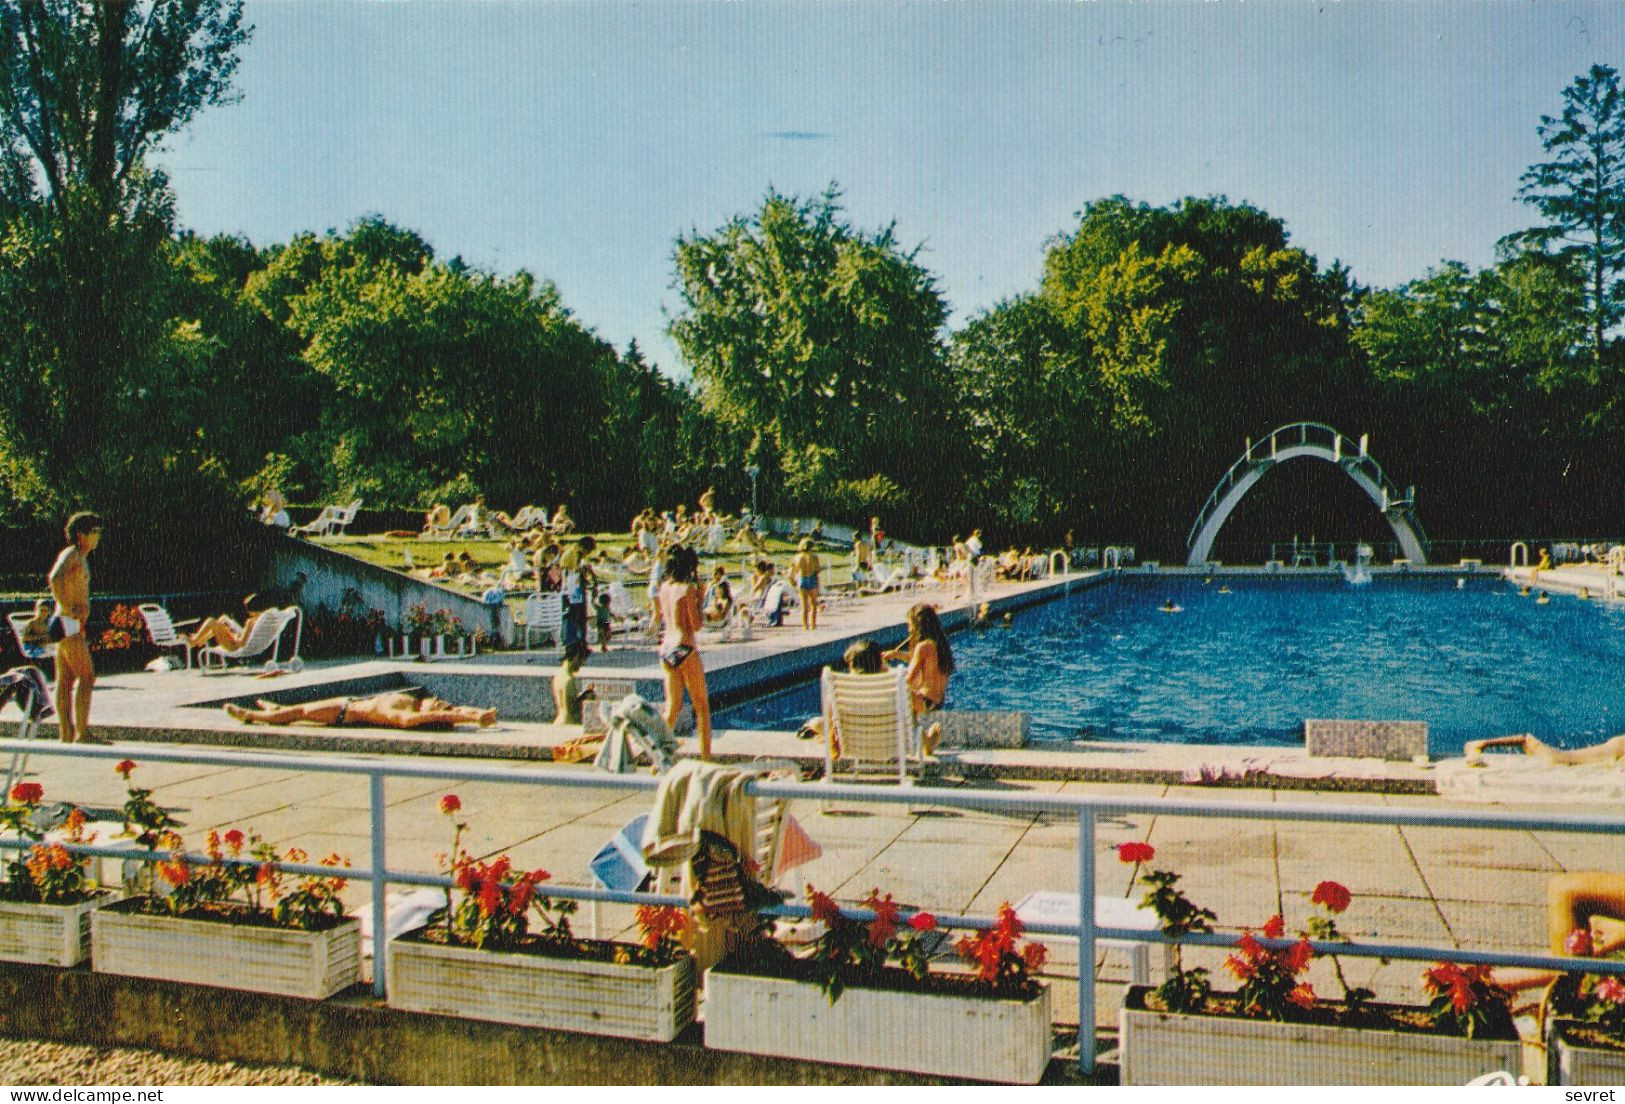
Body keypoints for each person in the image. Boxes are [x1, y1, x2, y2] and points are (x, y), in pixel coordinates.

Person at [48, 512, 102, 745]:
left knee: (66, 681)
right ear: (82, 535)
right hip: (67, 622)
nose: (98, 537)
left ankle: (66, 733)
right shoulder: (72, 554)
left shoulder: (81, 556)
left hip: (69, 624)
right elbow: (54, 578)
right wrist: (68, 607)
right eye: (94, 532)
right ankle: (82, 732)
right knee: (87, 677)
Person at [654, 545, 711, 760]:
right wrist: (700, 599)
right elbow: (695, 625)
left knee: (673, 707)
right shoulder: (686, 590)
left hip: (666, 649)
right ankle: (706, 760)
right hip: (684, 647)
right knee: (702, 707)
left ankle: (658, 757)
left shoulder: (664, 588)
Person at [882, 602, 954, 755]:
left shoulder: (923, 647)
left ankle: (892, 740)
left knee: (896, 695)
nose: (908, 629)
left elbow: (908, 678)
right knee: (908, 708)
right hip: (937, 701)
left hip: (924, 700)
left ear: (917, 625)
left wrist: (886, 676)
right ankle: (927, 741)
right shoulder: (938, 643)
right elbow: (919, 660)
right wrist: (897, 655)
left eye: (910, 625)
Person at [797, 639, 885, 758]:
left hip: (851, 741)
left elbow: (831, 722)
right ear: (879, 663)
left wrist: (830, 740)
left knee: (815, 722)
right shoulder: (891, 685)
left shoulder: (842, 689)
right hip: (884, 740)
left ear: (852, 665)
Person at [224, 692, 495, 729]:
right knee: (296, 710)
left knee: (298, 712)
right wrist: (478, 714)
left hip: (343, 711)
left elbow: (443, 714)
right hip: (347, 703)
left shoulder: (404, 715)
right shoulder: (410, 704)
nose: (437, 700)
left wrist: (470, 720)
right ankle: (274, 708)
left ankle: (251, 715)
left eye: (439, 703)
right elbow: (454, 710)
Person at [1464, 732, 1625, 767]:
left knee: (1559, 757)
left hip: (1615, 748)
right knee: (1557, 758)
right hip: (1562, 759)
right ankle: (1480, 744)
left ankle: (1481, 744)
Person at [189, 594, 272, 651]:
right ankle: (202, 639)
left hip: (234, 646)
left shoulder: (250, 622)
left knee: (211, 621)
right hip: (247, 644)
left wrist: (232, 633)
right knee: (223, 619)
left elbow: (241, 643)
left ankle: (194, 641)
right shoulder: (263, 619)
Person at [559, 536, 597, 650]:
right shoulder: (571, 554)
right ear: (583, 547)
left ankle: (581, 642)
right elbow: (567, 573)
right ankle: (570, 642)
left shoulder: (580, 556)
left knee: (581, 617)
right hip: (570, 589)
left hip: (578, 588)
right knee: (571, 616)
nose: (588, 553)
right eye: (588, 550)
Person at [552, 641, 593, 725]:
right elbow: (572, 709)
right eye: (581, 660)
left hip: (559, 720)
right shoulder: (569, 680)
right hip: (569, 723)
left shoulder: (559, 675)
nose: (582, 664)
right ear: (575, 657)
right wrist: (587, 697)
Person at [792, 538, 822, 631]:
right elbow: (818, 570)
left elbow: (794, 571)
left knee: (804, 605)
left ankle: (805, 626)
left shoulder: (797, 557)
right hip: (812, 578)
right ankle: (813, 625)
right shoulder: (814, 557)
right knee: (813, 604)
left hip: (802, 579)